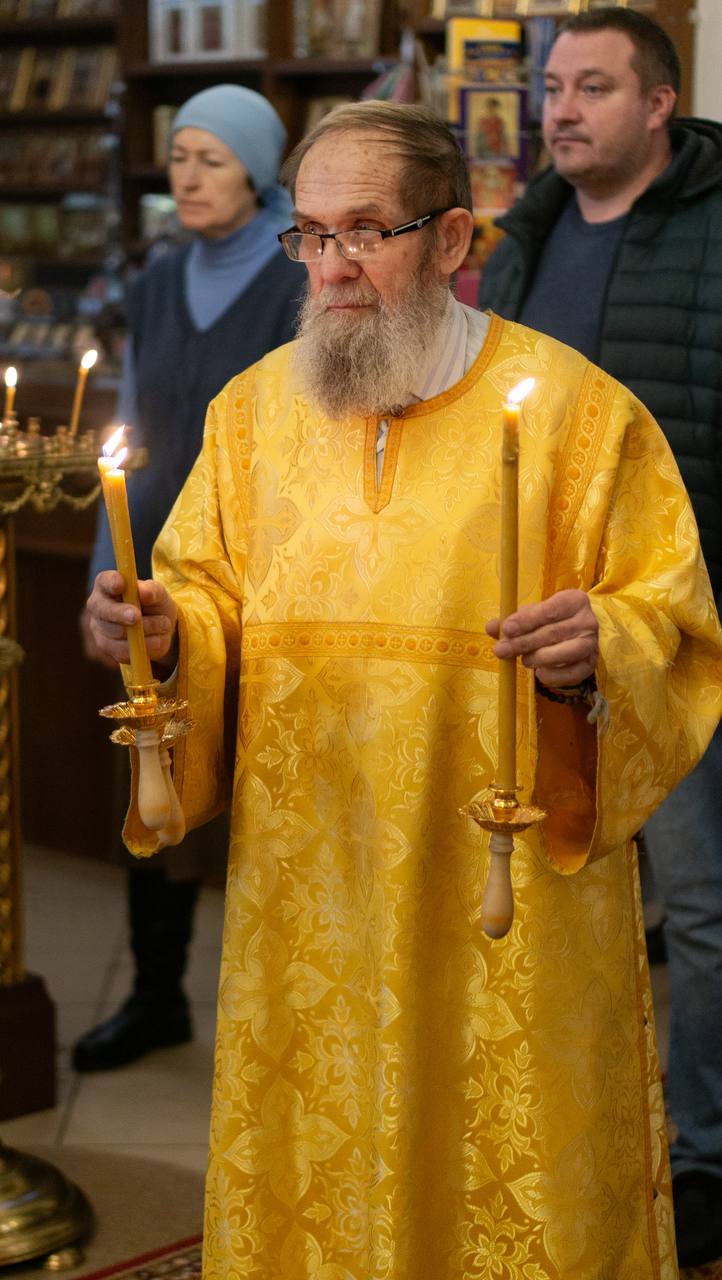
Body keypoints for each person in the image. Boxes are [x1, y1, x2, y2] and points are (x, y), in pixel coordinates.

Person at [85, 101, 722, 1279]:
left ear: (451, 239)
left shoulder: (579, 414)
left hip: (501, 891)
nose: (331, 267)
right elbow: (201, 596)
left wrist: (602, 641)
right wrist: (162, 635)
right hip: (311, 884)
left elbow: (673, 623)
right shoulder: (252, 414)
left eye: (365, 232)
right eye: (311, 234)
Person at [478, 8, 722, 1266]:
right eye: (551, 87)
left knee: (700, 901)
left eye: (591, 88)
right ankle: (575, 1127)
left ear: (658, 103)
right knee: (558, 884)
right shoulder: (522, 234)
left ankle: (706, 1153)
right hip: (541, 623)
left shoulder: (713, 224)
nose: (560, 110)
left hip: (675, 618)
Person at [73, 84, 303, 1074]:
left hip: (263, 576)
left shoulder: (298, 274)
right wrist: (106, 572)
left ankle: (285, 1009)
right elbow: (125, 425)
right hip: (157, 572)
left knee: (267, 791)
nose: (190, 176)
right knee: (152, 771)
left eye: (213, 158)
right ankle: (156, 995)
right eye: (179, 157)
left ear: (257, 170)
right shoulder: (159, 278)